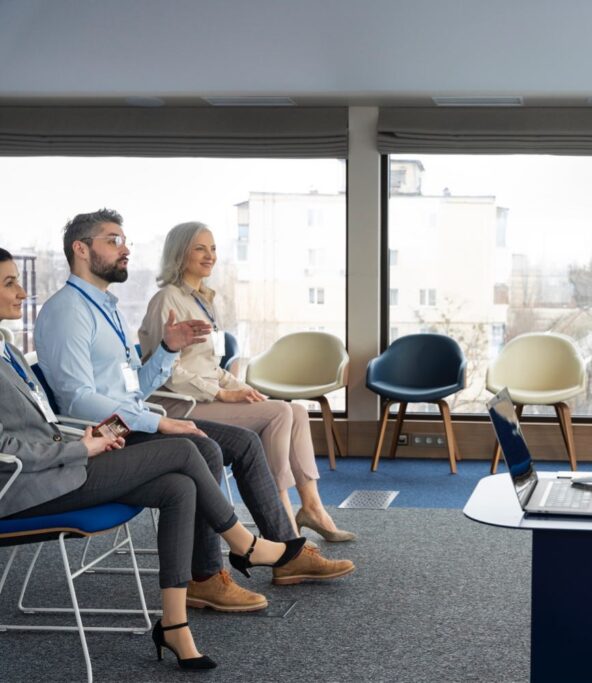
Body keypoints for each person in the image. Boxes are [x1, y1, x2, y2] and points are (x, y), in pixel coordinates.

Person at [0, 248, 307, 671]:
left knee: (178, 486)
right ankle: (244, 544)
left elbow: (50, 418)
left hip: (70, 453)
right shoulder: (62, 316)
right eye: (9, 283)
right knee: (186, 448)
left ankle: (175, 625)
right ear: (82, 249)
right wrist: (79, 447)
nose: (21, 293)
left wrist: (90, 435)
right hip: (30, 486)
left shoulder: (8, 347)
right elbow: (8, 449)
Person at [34, 209, 355, 613]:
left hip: (131, 419)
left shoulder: (106, 307)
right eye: (113, 240)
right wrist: (158, 421)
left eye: (124, 240)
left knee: (243, 442)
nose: (126, 249)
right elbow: (78, 399)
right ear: (81, 249)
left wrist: (168, 348)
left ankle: (287, 553)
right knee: (202, 448)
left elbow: (135, 385)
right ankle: (207, 576)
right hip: (105, 435)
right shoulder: (68, 312)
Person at [139, 221, 354, 542]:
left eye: (212, 248)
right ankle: (281, 514)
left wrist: (238, 388)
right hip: (177, 405)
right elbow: (167, 371)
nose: (209, 255)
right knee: (280, 413)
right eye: (200, 248)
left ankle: (311, 507)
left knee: (293, 411)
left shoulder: (202, 300)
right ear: (179, 253)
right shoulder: (166, 300)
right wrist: (221, 394)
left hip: (204, 397)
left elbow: (211, 365)